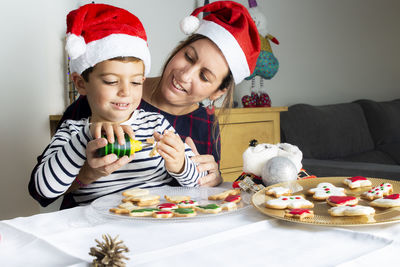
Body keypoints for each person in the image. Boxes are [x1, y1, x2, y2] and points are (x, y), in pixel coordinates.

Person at [29, 1, 260, 208]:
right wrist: (87, 171)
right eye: (188, 57)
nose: (185, 74)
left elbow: (196, 186)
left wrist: (207, 177)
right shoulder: (93, 109)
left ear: (218, 92)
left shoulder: (172, 124)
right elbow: (42, 192)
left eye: (204, 76)